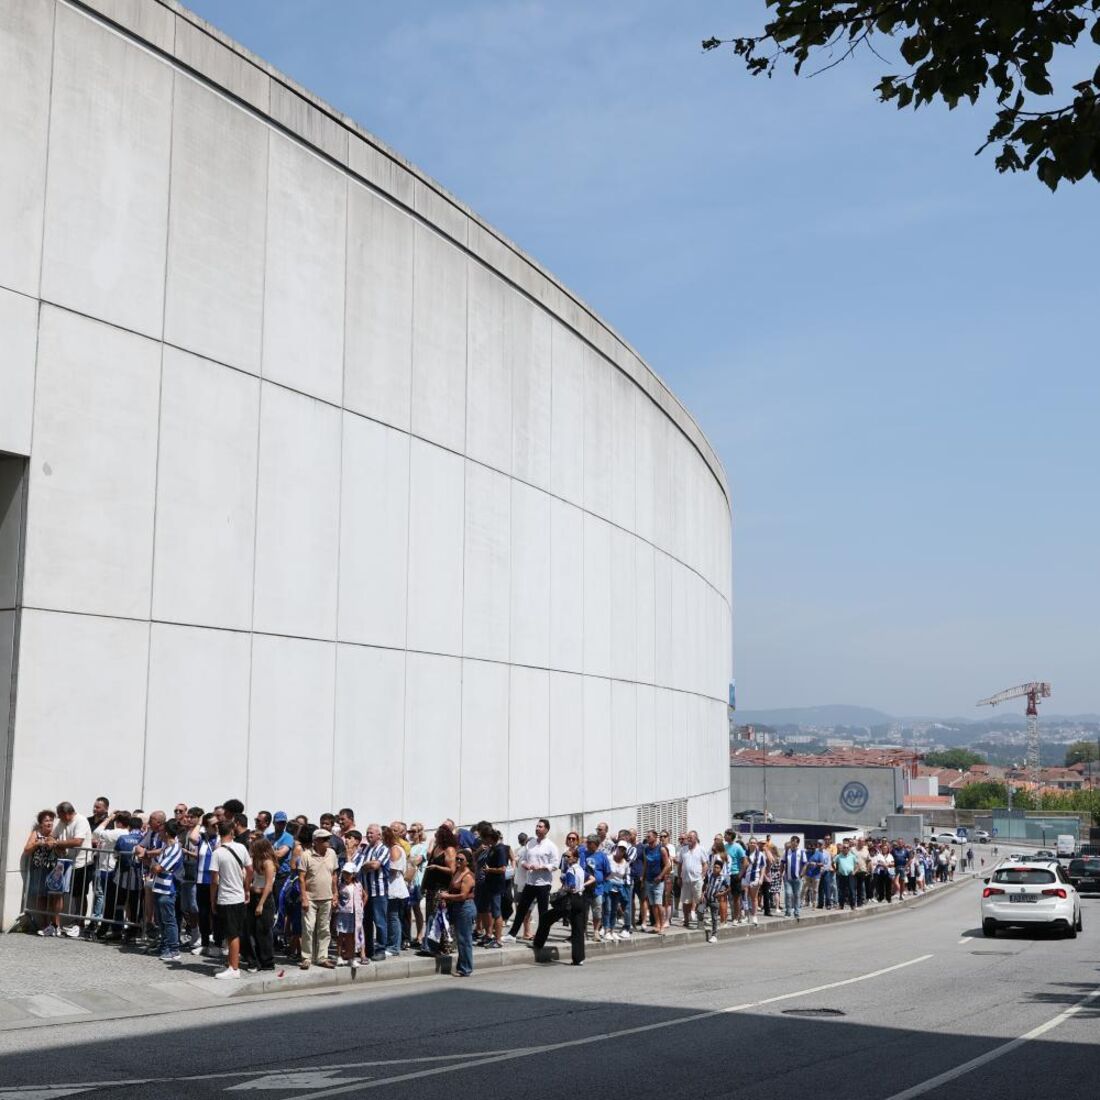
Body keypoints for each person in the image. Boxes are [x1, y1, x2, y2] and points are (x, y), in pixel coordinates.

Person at [210, 819, 252, 979]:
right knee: (232, 933)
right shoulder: (241, 848)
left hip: (226, 897)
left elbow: (214, 880)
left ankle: (234, 968)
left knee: (232, 934)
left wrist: (212, 900)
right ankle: (230, 964)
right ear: (232, 832)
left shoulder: (217, 853)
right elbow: (250, 869)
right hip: (239, 896)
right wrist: (246, 888)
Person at [504, 819, 558, 942]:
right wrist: (526, 865)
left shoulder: (551, 846)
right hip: (530, 882)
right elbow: (522, 859)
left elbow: (555, 864)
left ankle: (540, 938)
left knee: (542, 912)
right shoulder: (530, 843)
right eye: (537, 826)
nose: (537, 828)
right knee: (521, 909)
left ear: (546, 829)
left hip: (543, 883)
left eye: (540, 826)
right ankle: (512, 934)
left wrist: (542, 867)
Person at [533, 847, 590, 964]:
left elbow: (571, 886)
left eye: (568, 856)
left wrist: (564, 888)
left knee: (546, 918)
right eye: (565, 856)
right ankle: (578, 959)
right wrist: (581, 886)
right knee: (578, 930)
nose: (566, 858)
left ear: (575, 858)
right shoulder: (580, 869)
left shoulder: (570, 871)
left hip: (570, 900)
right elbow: (592, 879)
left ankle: (538, 944)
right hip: (580, 899)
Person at [299, 827, 339, 970]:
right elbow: (302, 878)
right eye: (324, 839)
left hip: (327, 897)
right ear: (315, 841)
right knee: (308, 928)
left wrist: (335, 894)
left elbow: (334, 875)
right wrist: (304, 897)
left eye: (328, 838)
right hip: (310, 898)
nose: (328, 841)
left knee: (324, 929)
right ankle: (306, 958)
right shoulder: (306, 855)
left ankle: (322, 957)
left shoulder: (332, 854)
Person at [52, 801, 93, 936]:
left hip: (81, 863)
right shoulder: (62, 822)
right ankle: (57, 924)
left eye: (60, 816)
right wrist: (52, 840)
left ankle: (79, 923)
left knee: (79, 894)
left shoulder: (81, 821)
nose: (59, 819)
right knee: (60, 892)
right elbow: (53, 835)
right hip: (65, 862)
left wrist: (57, 843)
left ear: (68, 814)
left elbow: (77, 841)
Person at [354, 823, 390, 961]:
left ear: (379, 835)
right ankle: (368, 949)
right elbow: (358, 866)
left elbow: (375, 865)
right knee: (366, 922)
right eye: (367, 833)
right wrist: (366, 866)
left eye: (371, 833)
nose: (368, 836)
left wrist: (365, 865)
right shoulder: (365, 849)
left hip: (379, 892)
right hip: (365, 892)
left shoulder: (384, 849)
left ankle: (381, 949)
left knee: (380, 922)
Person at [149, 819, 183, 961]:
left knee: (169, 920)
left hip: (167, 889)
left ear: (167, 832)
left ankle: (173, 949)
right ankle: (164, 946)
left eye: (161, 830)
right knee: (161, 920)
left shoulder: (175, 849)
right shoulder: (166, 846)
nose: (159, 833)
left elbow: (158, 868)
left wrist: (153, 863)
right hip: (159, 887)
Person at [420, 823, 457, 953]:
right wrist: (424, 885)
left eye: (438, 835)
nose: (435, 836)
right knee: (430, 915)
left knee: (437, 916)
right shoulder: (436, 847)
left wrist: (437, 867)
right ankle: (430, 945)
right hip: (431, 886)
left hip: (442, 888)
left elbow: (452, 870)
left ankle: (436, 946)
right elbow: (428, 865)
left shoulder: (449, 850)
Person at [440, 850, 476, 977]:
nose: (458, 861)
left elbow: (463, 896)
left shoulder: (468, 876)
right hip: (456, 907)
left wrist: (447, 896)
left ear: (468, 861)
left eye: (461, 859)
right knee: (460, 938)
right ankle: (462, 966)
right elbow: (452, 889)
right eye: (457, 859)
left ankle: (466, 968)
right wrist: (446, 898)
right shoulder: (457, 872)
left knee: (465, 939)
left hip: (465, 908)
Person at [24, 810, 59, 934]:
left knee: (54, 897)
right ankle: (44, 924)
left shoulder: (56, 833)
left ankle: (55, 925)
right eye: (46, 820)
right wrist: (38, 843)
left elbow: (63, 850)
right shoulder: (36, 833)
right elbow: (27, 849)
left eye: (51, 820)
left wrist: (56, 844)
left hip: (54, 869)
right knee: (41, 896)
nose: (49, 823)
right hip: (39, 868)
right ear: (41, 824)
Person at [247, 836, 277, 971]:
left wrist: (261, 904)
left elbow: (268, 886)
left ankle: (267, 961)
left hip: (264, 898)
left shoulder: (268, 863)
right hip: (254, 895)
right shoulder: (257, 861)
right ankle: (257, 959)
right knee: (253, 930)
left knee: (263, 931)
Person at [382, 824, 407, 958]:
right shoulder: (393, 848)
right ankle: (390, 943)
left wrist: (379, 865)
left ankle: (394, 947)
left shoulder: (395, 849)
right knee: (390, 917)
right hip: (391, 886)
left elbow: (394, 867)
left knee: (393, 917)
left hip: (394, 887)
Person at [602, 841, 633, 939]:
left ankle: (612, 930)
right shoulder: (609, 858)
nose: (621, 850)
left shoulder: (626, 863)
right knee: (608, 909)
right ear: (616, 848)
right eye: (620, 848)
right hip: (608, 886)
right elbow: (604, 871)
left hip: (619, 887)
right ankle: (606, 930)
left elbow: (626, 876)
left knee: (615, 910)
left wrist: (626, 888)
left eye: (624, 849)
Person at [335, 863, 364, 967]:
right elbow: (336, 897)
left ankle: (352, 958)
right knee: (341, 935)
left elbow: (364, 896)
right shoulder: (340, 885)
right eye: (345, 873)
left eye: (349, 874)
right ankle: (339, 956)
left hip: (354, 915)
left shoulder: (358, 885)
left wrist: (361, 907)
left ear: (354, 874)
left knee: (352, 937)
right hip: (343, 914)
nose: (346, 876)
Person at [641, 829, 670, 934]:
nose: (647, 838)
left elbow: (668, 865)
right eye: (647, 837)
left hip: (658, 881)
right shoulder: (646, 849)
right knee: (652, 904)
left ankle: (662, 926)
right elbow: (645, 864)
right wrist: (642, 878)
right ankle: (657, 924)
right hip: (648, 880)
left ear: (655, 837)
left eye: (649, 837)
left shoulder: (661, 849)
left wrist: (660, 876)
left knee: (659, 904)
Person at [677, 831, 706, 929]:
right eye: (688, 837)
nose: (688, 839)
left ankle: (700, 921)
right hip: (685, 880)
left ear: (696, 838)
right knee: (686, 901)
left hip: (697, 880)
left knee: (699, 901)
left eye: (691, 837)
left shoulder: (701, 849)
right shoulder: (683, 850)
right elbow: (680, 864)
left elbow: (705, 864)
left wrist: (702, 876)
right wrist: (679, 877)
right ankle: (686, 921)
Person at [702, 844, 729, 943]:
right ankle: (701, 926)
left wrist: (722, 894)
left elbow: (728, 888)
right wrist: (703, 894)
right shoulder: (709, 875)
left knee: (714, 918)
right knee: (700, 911)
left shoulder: (722, 878)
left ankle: (714, 935)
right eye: (714, 867)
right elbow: (704, 884)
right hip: (706, 897)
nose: (715, 869)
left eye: (717, 868)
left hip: (714, 900)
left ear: (721, 869)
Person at [407, 823, 428, 947]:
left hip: (416, 880)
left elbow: (417, 860)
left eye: (414, 831)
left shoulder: (422, 847)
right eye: (410, 831)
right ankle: (408, 935)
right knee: (407, 909)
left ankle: (420, 934)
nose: (411, 834)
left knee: (416, 907)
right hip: (407, 880)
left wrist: (409, 858)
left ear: (420, 833)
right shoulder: (409, 846)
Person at [782, 836, 808, 919]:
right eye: (792, 841)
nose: (793, 843)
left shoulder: (801, 852)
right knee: (788, 894)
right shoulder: (786, 852)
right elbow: (782, 863)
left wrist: (802, 874)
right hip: (788, 878)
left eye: (795, 842)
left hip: (798, 878)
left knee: (797, 895)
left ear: (797, 843)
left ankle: (796, 912)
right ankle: (788, 912)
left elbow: (805, 864)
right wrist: (780, 873)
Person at [835, 840, 858, 910]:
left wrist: (854, 871)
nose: (846, 849)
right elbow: (833, 862)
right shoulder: (838, 856)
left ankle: (853, 905)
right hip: (841, 875)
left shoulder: (852, 856)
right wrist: (836, 870)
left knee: (851, 891)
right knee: (841, 891)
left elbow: (857, 865)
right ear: (842, 848)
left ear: (849, 848)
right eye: (844, 847)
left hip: (850, 875)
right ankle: (841, 905)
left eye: (847, 847)